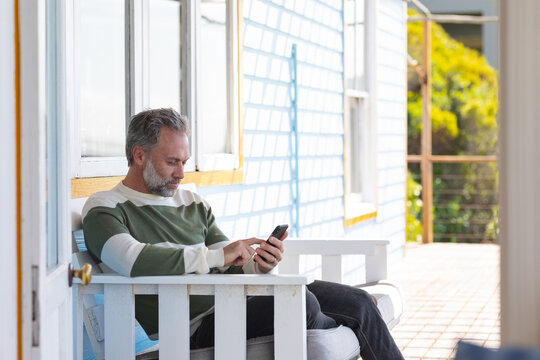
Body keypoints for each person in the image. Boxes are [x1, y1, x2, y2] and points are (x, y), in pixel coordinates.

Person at [82, 108, 404, 360]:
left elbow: (227, 259)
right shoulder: (105, 208)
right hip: (191, 327)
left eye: (184, 162)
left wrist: (257, 266)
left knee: (359, 301)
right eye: (171, 162)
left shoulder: (191, 201)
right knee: (302, 303)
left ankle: (347, 323)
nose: (181, 173)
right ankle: (345, 326)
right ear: (139, 155)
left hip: (238, 299)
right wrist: (217, 256)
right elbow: (131, 261)